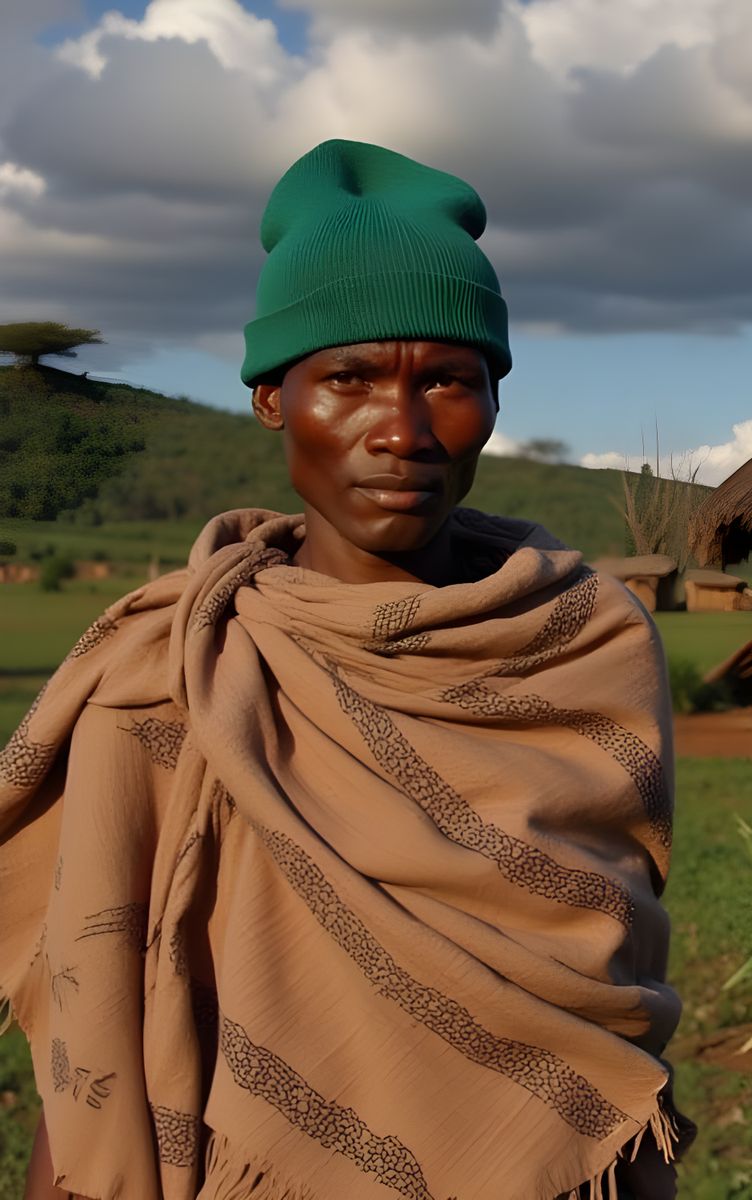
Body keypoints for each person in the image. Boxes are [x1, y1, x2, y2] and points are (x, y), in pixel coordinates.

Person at [0, 140, 688, 1199]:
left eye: (447, 380)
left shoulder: (588, 645)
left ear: (493, 401)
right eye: (349, 378)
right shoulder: (164, 676)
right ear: (272, 399)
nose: (402, 432)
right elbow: (101, 1023)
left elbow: (611, 982)